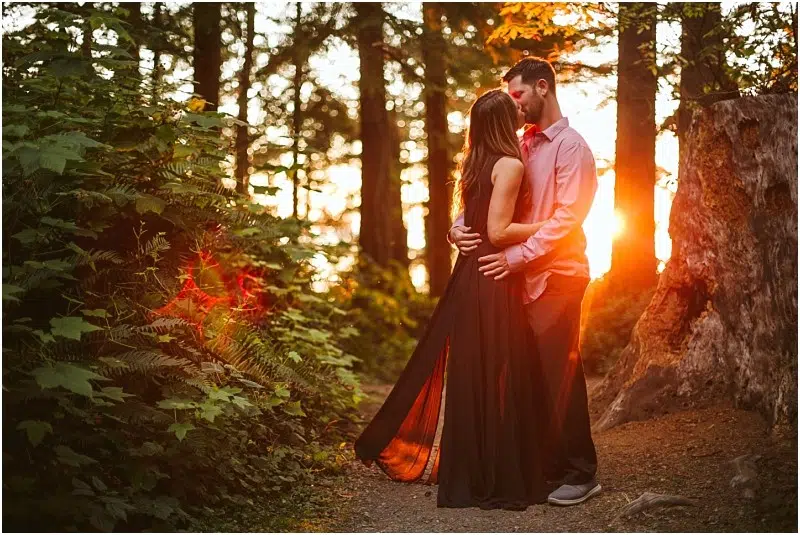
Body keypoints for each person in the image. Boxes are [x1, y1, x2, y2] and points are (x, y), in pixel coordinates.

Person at [354, 89, 552, 510]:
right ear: (503, 121)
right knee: (501, 371)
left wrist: (457, 232)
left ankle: (471, 471)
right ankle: (497, 474)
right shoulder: (510, 164)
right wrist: (549, 224)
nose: (521, 109)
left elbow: (473, 221)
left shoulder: (476, 162)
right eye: (514, 108)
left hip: (468, 276)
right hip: (493, 277)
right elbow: (498, 232)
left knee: (473, 373)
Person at [451, 57, 601, 506]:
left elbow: (567, 220)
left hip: (558, 274)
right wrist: (456, 227)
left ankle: (582, 473)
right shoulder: (519, 144)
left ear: (542, 87)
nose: (514, 104)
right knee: (530, 375)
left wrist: (514, 257)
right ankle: (547, 466)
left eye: (518, 95)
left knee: (559, 373)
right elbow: (487, 194)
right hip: (517, 278)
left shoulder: (572, 148)